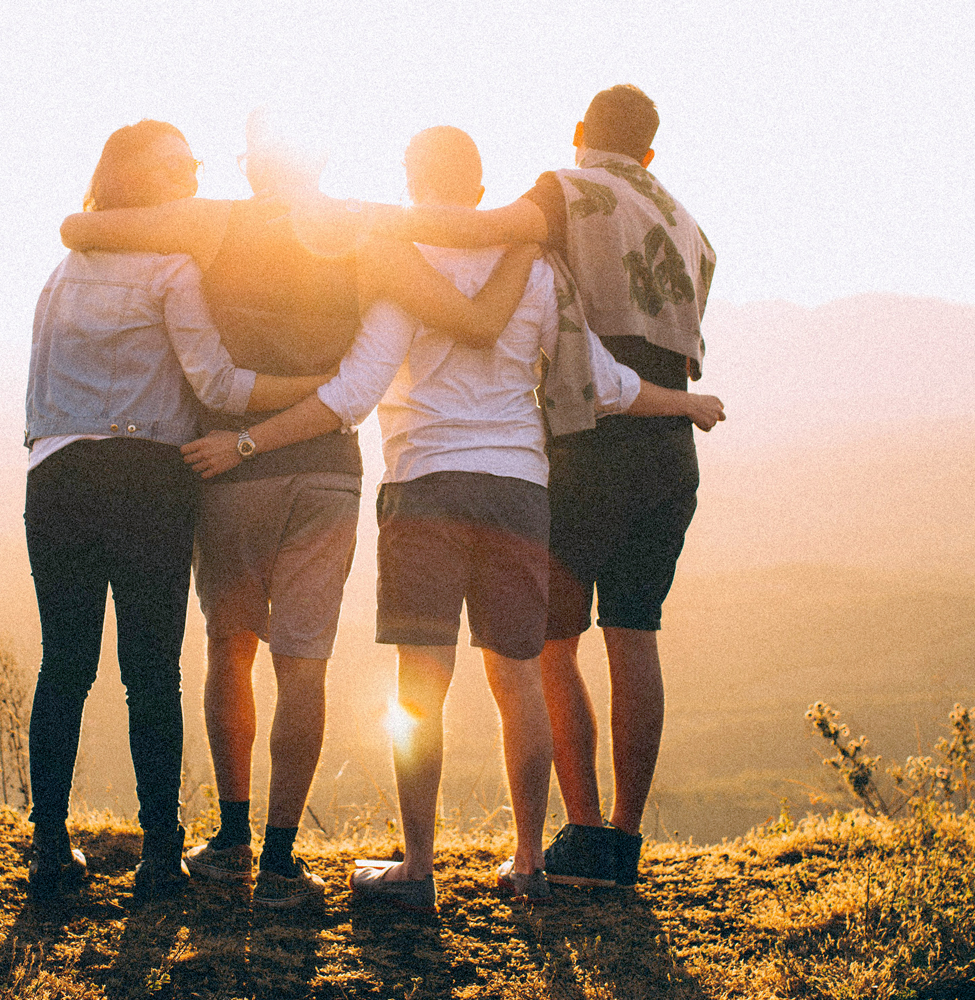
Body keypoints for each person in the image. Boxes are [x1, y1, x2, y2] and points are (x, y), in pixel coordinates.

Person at [182, 125, 721, 910]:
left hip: (424, 486)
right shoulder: (536, 270)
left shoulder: (401, 265)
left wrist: (247, 440)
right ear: (478, 189)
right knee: (519, 682)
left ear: (410, 180)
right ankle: (530, 863)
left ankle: (419, 868)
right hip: (519, 492)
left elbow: (354, 394)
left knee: (420, 688)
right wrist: (688, 403)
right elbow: (603, 382)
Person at [58, 110, 539, 909]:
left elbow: (82, 229)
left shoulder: (210, 225)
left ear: (252, 167)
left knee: (230, 648)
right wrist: (524, 240)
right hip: (326, 471)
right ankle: (282, 859)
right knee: (303, 663)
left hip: (228, 467)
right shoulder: (366, 235)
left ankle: (233, 837)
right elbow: (472, 321)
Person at [368, 85, 720, 888]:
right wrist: (687, 405)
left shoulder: (566, 191)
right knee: (635, 634)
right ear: (651, 152)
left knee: (547, 648)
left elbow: (486, 232)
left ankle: (579, 834)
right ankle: (621, 843)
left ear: (578, 133)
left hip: (588, 439)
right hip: (666, 445)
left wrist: (368, 221)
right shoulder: (691, 226)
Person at [23, 119, 327, 905]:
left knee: (65, 666)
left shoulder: (62, 272)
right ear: (143, 181)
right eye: (179, 164)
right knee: (150, 673)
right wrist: (317, 389)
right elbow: (220, 388)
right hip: (148, 479)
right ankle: (161, 857)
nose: (194, 172)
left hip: (55, 476)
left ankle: (49, 849)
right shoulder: (171, 268)